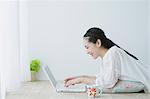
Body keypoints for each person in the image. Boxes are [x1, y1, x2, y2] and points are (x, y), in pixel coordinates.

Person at [64, 27, 150, 93]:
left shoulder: (113, 53)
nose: (87, 52)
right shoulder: (107, 56)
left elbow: (108, 83)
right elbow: (102, 77)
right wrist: (79, 78)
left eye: (87, 47)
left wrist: (81, 80)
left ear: (98, 43)